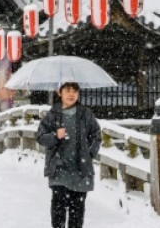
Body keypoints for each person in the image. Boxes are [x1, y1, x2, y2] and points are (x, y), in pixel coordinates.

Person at [35, 82, 101, 228]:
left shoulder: (85, 114)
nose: (71, 94)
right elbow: (40, 137)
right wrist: (55, 135)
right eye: (68, 90)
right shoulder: (53, 115)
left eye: (74, 91)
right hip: (59, 169)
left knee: (77, 212)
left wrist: (89, 154)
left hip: (80, 170)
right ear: (60, 92)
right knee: (58, 209)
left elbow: (96, 135)